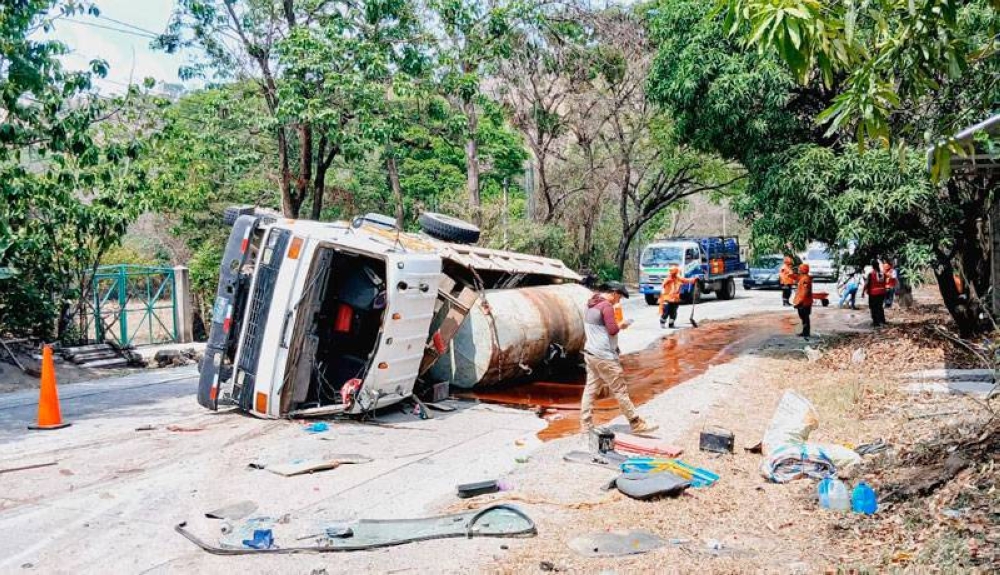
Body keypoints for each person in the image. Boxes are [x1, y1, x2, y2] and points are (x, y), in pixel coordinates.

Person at [580, 282, 658, 436]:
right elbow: (613, 330)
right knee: (620, 390)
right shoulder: (606, 306)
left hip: (590, 353)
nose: (619, 301)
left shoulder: (590, 304)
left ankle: (586, 425)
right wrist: (622, 324)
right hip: (604, 356)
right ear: (614, 293)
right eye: (620, 297)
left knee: (590, 389)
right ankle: (636, 423)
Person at [862, 260, 888, 327]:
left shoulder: (871, 274)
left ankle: (876, 323)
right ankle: (882, 321)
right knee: (880, 307)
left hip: (873, 293)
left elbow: (866, 284)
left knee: (873, 308)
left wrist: (863, 292)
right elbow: (885, 282)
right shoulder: (883, 273)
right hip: (882, 292)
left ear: (872, 266)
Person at [791, 263, 813, 338]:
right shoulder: (803, 277)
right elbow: (793, 277)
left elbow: (804, 291)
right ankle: (805, 332)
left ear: (803, 270)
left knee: (805, 317)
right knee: (804, 317)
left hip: (804, 302)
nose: (799, 270)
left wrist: (799, 302)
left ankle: (806, 332)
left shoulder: (805, 279)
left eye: (800, 269)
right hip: (804, 301)